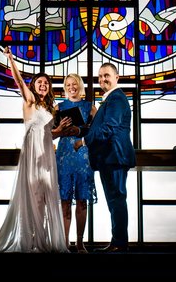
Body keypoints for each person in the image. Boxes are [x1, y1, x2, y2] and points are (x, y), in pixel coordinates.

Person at [0, 47, 73, 253]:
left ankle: (41, 241)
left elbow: (51, 134)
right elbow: (19, 82)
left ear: (49, 88)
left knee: (46, 196)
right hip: (32, 153)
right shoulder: (29, 101)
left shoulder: (51, 109)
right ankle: (28, 240)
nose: (43, 85)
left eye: (46, 83)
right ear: (34, 86)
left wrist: (61, 129)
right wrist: (12, 60)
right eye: (40, 82)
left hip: (47, 152)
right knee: (33, 195)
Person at [77, 62, 135, 253]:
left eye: (107, 75)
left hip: (114, 157)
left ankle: (119, 244)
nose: (103, 79)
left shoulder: (117, 98)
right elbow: (100, 126)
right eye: (100, 76)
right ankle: (117, 242)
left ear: (117, 77)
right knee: (114, 200)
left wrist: (83, 141)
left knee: (117, 199)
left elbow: (108, 128)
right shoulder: (111, 99)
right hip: (109, 158)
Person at [55, 73, 97, 253]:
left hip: (83, 155)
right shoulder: (59, 107)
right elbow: (51, 131)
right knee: (65, 200)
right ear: (65, 87)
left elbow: (97, 131)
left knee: (81, 200)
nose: (72, 87)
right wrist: (60, 128)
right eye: (68, 84)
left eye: (75, 84)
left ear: (80, 86)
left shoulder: (90, 107)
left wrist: (81, 130)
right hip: (64, 155)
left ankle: (80, 242)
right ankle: (64, 242)